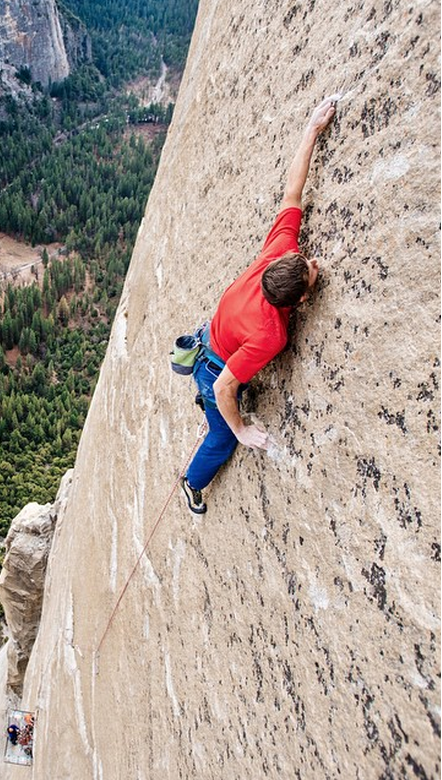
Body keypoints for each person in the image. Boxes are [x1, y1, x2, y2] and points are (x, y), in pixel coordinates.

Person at [181, 96, 338, 515]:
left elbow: (293, 191)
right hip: (214, 368)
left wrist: (312, 131)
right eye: (309, 269)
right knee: (222, 437)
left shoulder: (279, 251)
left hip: (215, 340)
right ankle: (191, 483)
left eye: (305, 262)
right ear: (300, 300)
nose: (312, 261)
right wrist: (242, 428)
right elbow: (223, 387)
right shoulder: (272, 333)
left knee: (228, 389)